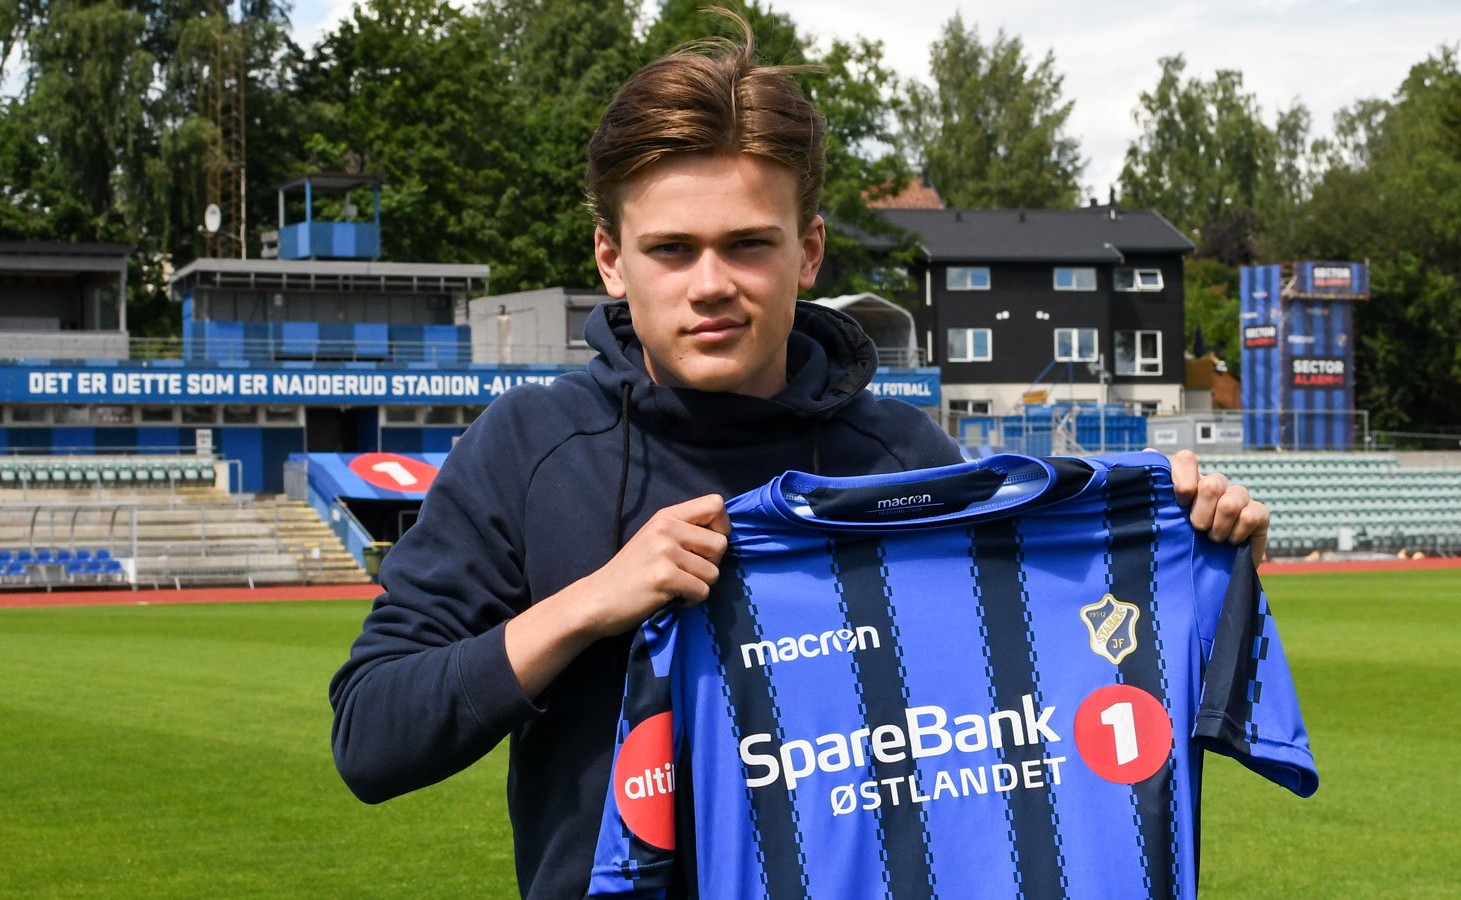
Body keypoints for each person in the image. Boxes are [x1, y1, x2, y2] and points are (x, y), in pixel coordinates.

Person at [329, 13, 1269, 899]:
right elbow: (372, 738)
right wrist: (588, 605)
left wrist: (1190, 564)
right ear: (611, 260)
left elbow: (1045, 704)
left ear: (808, 251)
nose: (711, 285)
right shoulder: (530, 449)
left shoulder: (904, 460)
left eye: (748, 245)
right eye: (671, 250)